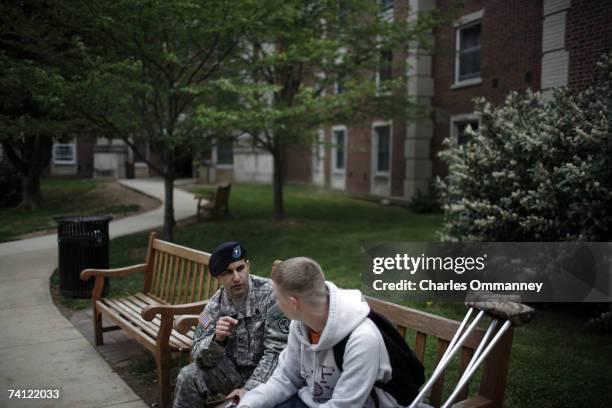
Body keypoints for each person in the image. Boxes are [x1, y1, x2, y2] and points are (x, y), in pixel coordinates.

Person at [238, 257, 404, 408]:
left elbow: (344, 405)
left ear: (293, 303)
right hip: (311, 401)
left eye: (276, 297)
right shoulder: (300, 325)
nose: (275, 302)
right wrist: (249, 404)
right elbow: (286, 378)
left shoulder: (362, 340)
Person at [173, 241, 290, 408]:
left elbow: (277, 351)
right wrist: (217, 340)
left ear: (248, 266)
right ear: (219, 278)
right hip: (233, 373)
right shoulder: (213, 307)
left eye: (240, 268)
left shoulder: (271, 296)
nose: (236, 278)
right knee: (188, 376)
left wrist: (250, 388)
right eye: (228, 273)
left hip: (270, 376)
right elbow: (199, 356)